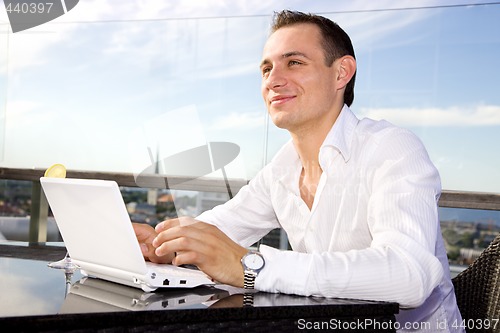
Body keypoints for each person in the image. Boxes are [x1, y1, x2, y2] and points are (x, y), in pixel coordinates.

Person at [134, 10, 463, 331]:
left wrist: (252, 267)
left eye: (294, 62)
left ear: (341, 73)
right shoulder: (281, 168)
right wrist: (163, 243)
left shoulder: (392, 148)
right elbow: (219, 232)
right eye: (266, 69)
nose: (273, 81)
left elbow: (408, 275)